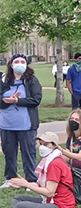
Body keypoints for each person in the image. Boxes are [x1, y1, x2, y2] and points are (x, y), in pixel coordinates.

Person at [1, 132, 76, 208]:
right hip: (49, 201)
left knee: (20, 206)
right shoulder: (49, 160)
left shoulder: (54, 164)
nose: (42, 147)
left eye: (45, 144)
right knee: (18, 198)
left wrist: (27, 184)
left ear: (54, 145)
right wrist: (23, 183)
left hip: (61, 206)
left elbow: (49, 192)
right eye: (40, 144)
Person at [0, 54, 42, 187]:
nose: (19, 64)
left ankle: (32, 180)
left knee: (28, 153)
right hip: (7, 124)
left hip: (26, 125)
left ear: (26, 64)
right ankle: (10, 178)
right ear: (11, 65)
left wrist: (18, 101)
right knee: (9, 152)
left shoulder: (32, 80)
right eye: (16, 62)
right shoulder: (3, 81)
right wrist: (7, 101)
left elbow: (36, 99)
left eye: (22, 62)